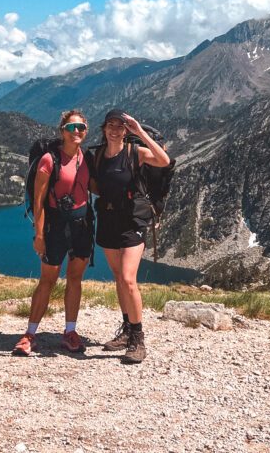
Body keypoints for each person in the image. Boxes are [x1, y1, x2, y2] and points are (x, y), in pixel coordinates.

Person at [91, 109, 170, 363]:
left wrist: (140, 132)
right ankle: (126, 330)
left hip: (131, 221)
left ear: (126, 131)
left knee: (128, 278)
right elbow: (95, 185)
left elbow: (164, 161)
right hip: (107, 220)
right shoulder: (98, 155)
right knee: (118, 277)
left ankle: (138, 338)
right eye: (111, 125)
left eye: (120, 126)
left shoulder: (136, 153)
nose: (115, 130)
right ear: (104, 128)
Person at [13, 109, 94, 356]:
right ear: (62, 131)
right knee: (47, 280)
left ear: (86, 131)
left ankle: (70, 332)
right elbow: (38, 202)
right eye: (71, 127)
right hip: (55, 226)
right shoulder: (49, 160)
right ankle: (30, 334)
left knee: (75, 279)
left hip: (82, 224)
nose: (76, 131)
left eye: (81, 127)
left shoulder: (87, 158)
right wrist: (39, 236)